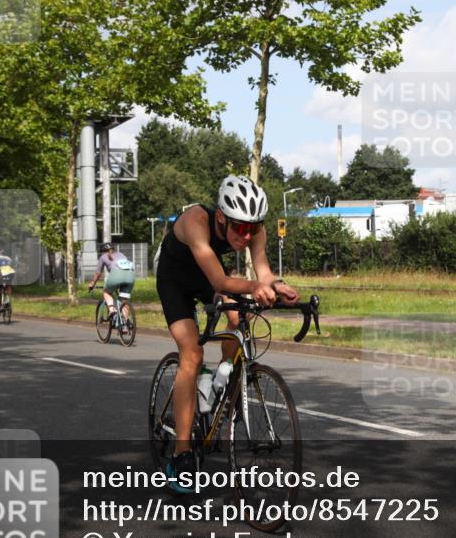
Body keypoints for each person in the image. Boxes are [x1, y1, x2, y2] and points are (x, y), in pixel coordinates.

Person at [156, 175, 298, 492]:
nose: (246, 236)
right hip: (175, 280)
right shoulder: (195, 221)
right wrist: (255, 286)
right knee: (192, 353)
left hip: (206, 276)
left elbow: (263, 272)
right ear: (221, 217)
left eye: (252, 228)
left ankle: (222, 379)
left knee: (239, 316)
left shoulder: (255, 231)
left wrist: (277, 286)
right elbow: (220, 282)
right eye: (240, 227)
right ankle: (181, 454)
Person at [87, 242, 136, 318]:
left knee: (106, 293)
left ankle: (112, 310)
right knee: (124, 299)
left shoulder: (103, 257)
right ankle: (125, 322)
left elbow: (98, 273)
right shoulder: (121, 254)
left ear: (102, 251)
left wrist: (93, 283)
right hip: (130, 276)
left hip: (116, 275)